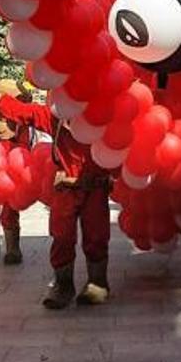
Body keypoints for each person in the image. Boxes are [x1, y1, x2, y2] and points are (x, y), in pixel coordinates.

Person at [43, 119, 114, 309]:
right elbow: (27, 113)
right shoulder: (54, 118)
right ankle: (63, 285)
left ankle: (97, 283)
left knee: (96, 235)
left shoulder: (102, 114)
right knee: (61, 236)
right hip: (66, 189)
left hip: (95, 187)